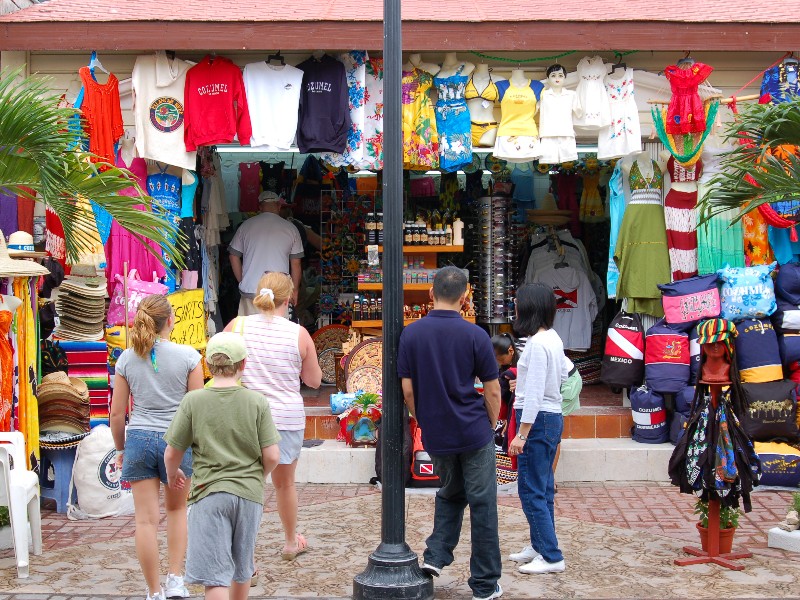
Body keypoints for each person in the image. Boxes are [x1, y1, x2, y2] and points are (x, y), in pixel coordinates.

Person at [397, 266, 503, 600]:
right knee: (482, 502)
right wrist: (491, 423)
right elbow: (492, 389)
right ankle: (484, 584)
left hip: (437, 432)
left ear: (431, 294)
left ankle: (436, 555)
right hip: (472, 430)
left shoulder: (411, 334)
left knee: (451, 490)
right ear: (466, 296)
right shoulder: (476, 335)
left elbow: (408, 390)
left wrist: (423, 420)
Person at [163, 332, 281, 600]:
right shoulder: (256, 401)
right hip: (249, 494)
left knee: (214, 577)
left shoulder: (193, 401)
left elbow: (172, 452)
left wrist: (173, 473)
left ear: (208, 365)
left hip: (209, 492)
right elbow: (273, 455)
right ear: (243, 365)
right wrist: (257, 476)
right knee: (243, 568)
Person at [110, 294, 204, 600]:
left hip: (138, 438)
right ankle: (176, 578)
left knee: (145, 520)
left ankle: (154, 591)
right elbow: (197, 410)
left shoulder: (126, 359)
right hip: (176, 441)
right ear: (170, 321)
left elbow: (117, 413)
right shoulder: (189, 357)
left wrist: (121, 448)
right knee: (177, 511)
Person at [224, 271, 321, 562]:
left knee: (243, 483)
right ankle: (291, 542)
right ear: (290, 297)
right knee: (284, 484)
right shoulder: (298, 333)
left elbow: (219, 366)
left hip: (245, 417)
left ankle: (240, 552)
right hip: (286, 419)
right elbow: (315, 381)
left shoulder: (236, 327)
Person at [507, 283, 569, 575]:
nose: (515, 308)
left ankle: (551, 555)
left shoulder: (536, 344)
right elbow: (562, 374)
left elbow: (534, 396)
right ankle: (539, 544)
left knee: (531, 490)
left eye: (518, 303)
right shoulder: (553, 338)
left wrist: (522, 433)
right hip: (551, 416)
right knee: (543, 488)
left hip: (537, 419)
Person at [228, 190, 304, 316]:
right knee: (277, 333)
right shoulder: (291, 228)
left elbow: (233, 256)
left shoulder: (246, 226)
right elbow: (296, 263)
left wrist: (243, 280)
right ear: (279, 206)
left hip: (251, 291)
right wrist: (295, 290)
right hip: (279, 293)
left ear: (260, 207)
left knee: (249, 333)